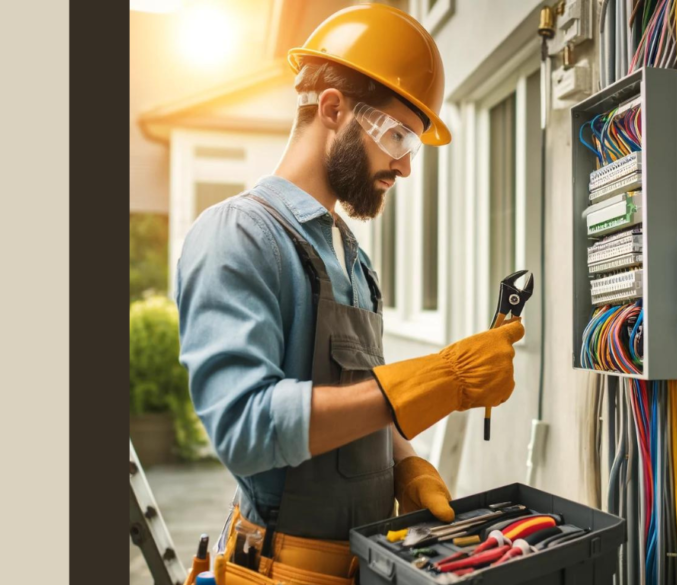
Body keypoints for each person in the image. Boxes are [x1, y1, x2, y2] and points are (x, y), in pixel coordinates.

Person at [174, 5, 524, 584]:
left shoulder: (351, 256)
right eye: (397, 136)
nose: (406, 166)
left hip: (366, 563)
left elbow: (360, 399)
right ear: (332, 108)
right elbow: (243, 427)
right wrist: (437, 378)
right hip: (281, 571)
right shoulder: (238, 234)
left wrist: (406, 463)